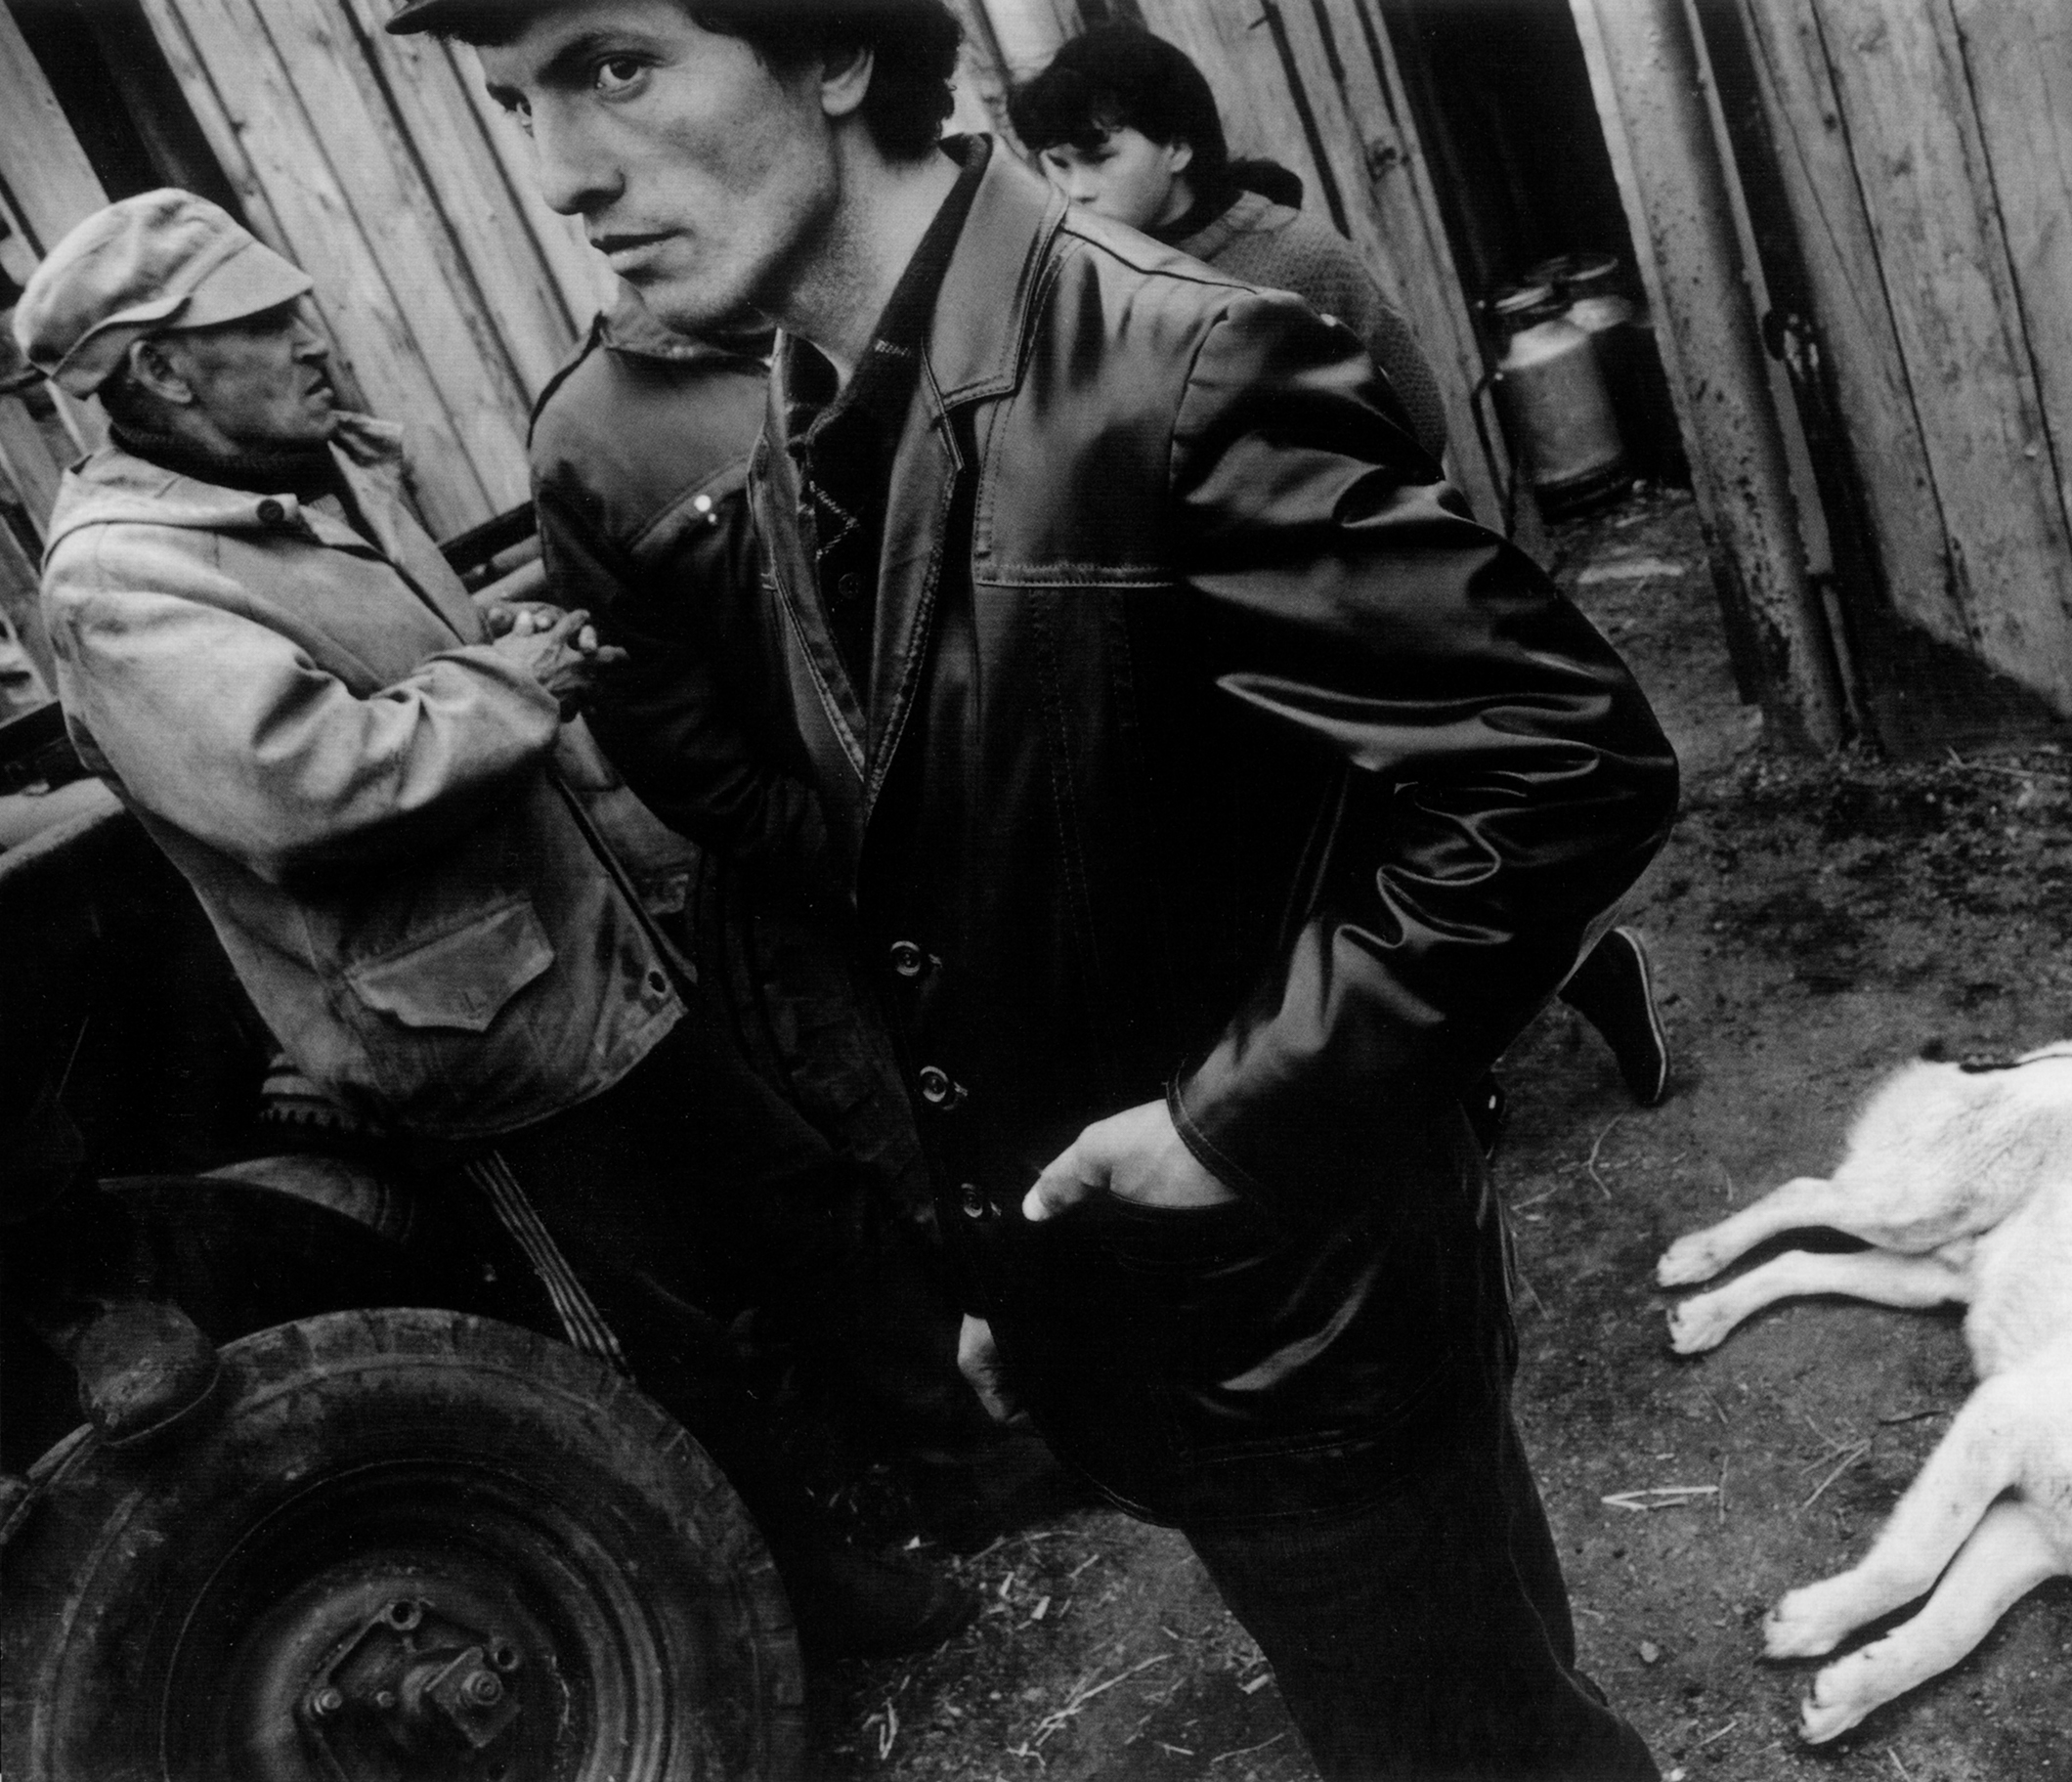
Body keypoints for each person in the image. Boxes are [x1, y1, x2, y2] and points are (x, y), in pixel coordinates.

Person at [406, 1, 1674, 1774]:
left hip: (1304, 1314)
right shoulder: (821, 399)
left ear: (833, 49)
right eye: (520, 102)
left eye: (615, 68)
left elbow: (1560, 760)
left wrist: (1234, 1118)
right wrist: (1024, 1274)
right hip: (1165, 1304)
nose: (563, 172)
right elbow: (976, 894)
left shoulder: (1175, 364)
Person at [13, 188, 971, 1657]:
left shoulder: (312, 469)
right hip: (470, 1033)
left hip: (589, 954)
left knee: (803, 1210)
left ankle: (972, 1460)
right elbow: (304, 787)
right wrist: (508, 686)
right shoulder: (120, 584)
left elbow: (413, 669)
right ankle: (801, 1602)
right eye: (267, 325)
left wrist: (495, 652)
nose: (316, 341)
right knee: (657, 1338)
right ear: (160, 372)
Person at [1012, 21, 1671, 1108]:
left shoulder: (1292, 260)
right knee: (1314, 865)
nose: (1072, 189)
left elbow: (1413, 409)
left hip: (1349, 597)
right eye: (1053, 166)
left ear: (1177, 146)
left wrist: (1340, 534)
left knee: (1409, 847)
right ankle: (1497, 1037)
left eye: (1096, 157)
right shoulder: (1091, 284)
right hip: (1225, 622)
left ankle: (1541, 1007)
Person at [528, 285, 1056, 1541]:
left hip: (1013, 808)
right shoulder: (590, 436)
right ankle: (1005, 1448)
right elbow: (664, 729)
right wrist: (830, 853)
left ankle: (1116, 1354)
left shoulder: (873, 312)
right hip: (825, 874)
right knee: (893, 1152)